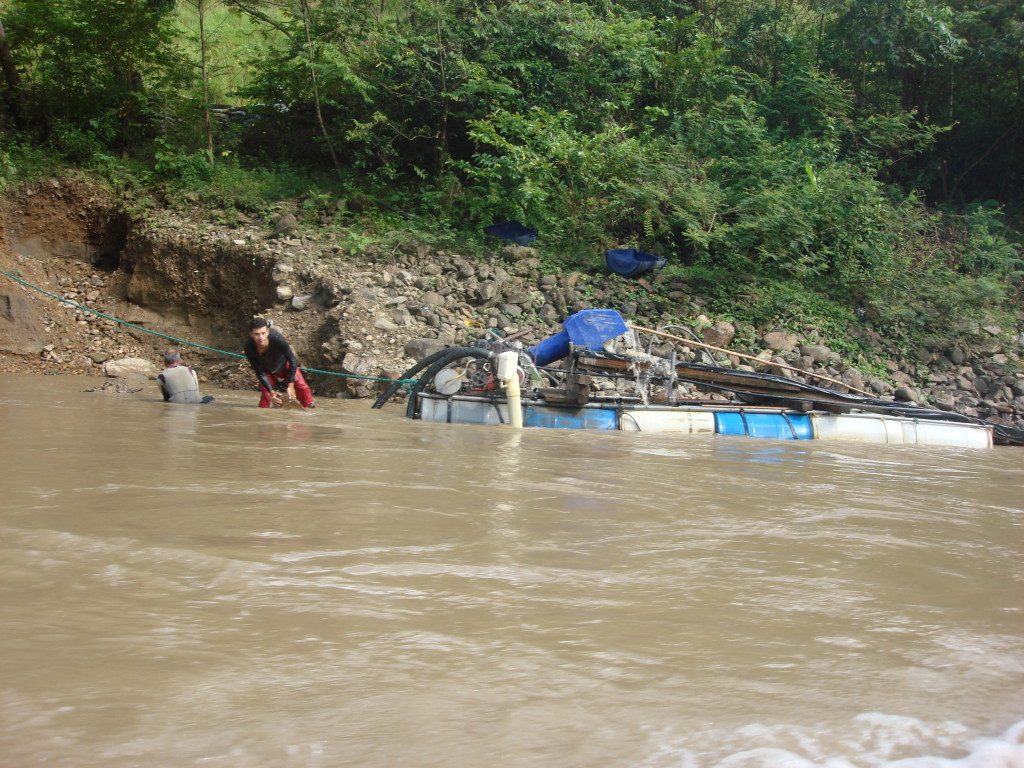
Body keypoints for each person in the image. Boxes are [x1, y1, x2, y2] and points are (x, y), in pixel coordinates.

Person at [244, 317, 315, 408]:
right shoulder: (249, 348)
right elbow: (259, 373)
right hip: (267, 369)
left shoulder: (277, 339)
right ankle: (264, 416)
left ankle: (310, 410)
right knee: (266, 395)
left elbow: (292, 360)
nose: (261, 337)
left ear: (268, 331)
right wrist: (271, 391)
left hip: (285, 365)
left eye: (263, 333)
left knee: (303, 387)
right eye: (256, 334)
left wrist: (291, 385)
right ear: (251, 334)